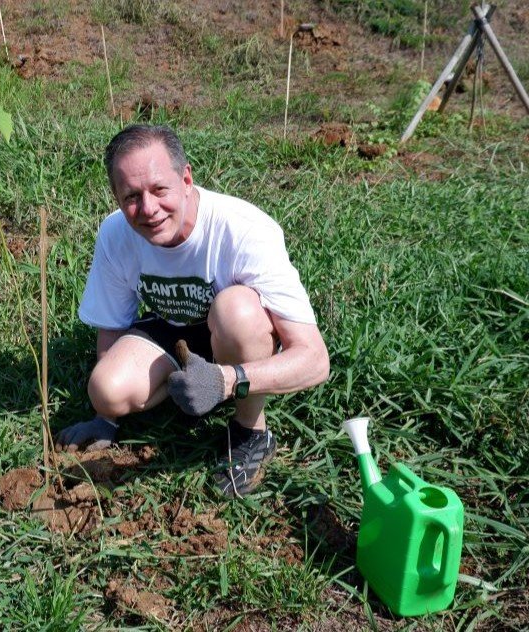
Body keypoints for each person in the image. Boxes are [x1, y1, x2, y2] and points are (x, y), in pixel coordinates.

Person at [56, 124, 330, 497]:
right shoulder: (116, 233)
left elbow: (315, 360)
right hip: (173, 328)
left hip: (236, 329)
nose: (148, 209)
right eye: (131, 196)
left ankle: (251, 431)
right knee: (105, 389)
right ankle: (185, 387)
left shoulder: (244, 230)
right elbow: (112, 326)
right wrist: (106, 417)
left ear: (186, 179)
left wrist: (226, 380)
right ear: (116, 197)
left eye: (159, 189)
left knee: (237, 312)